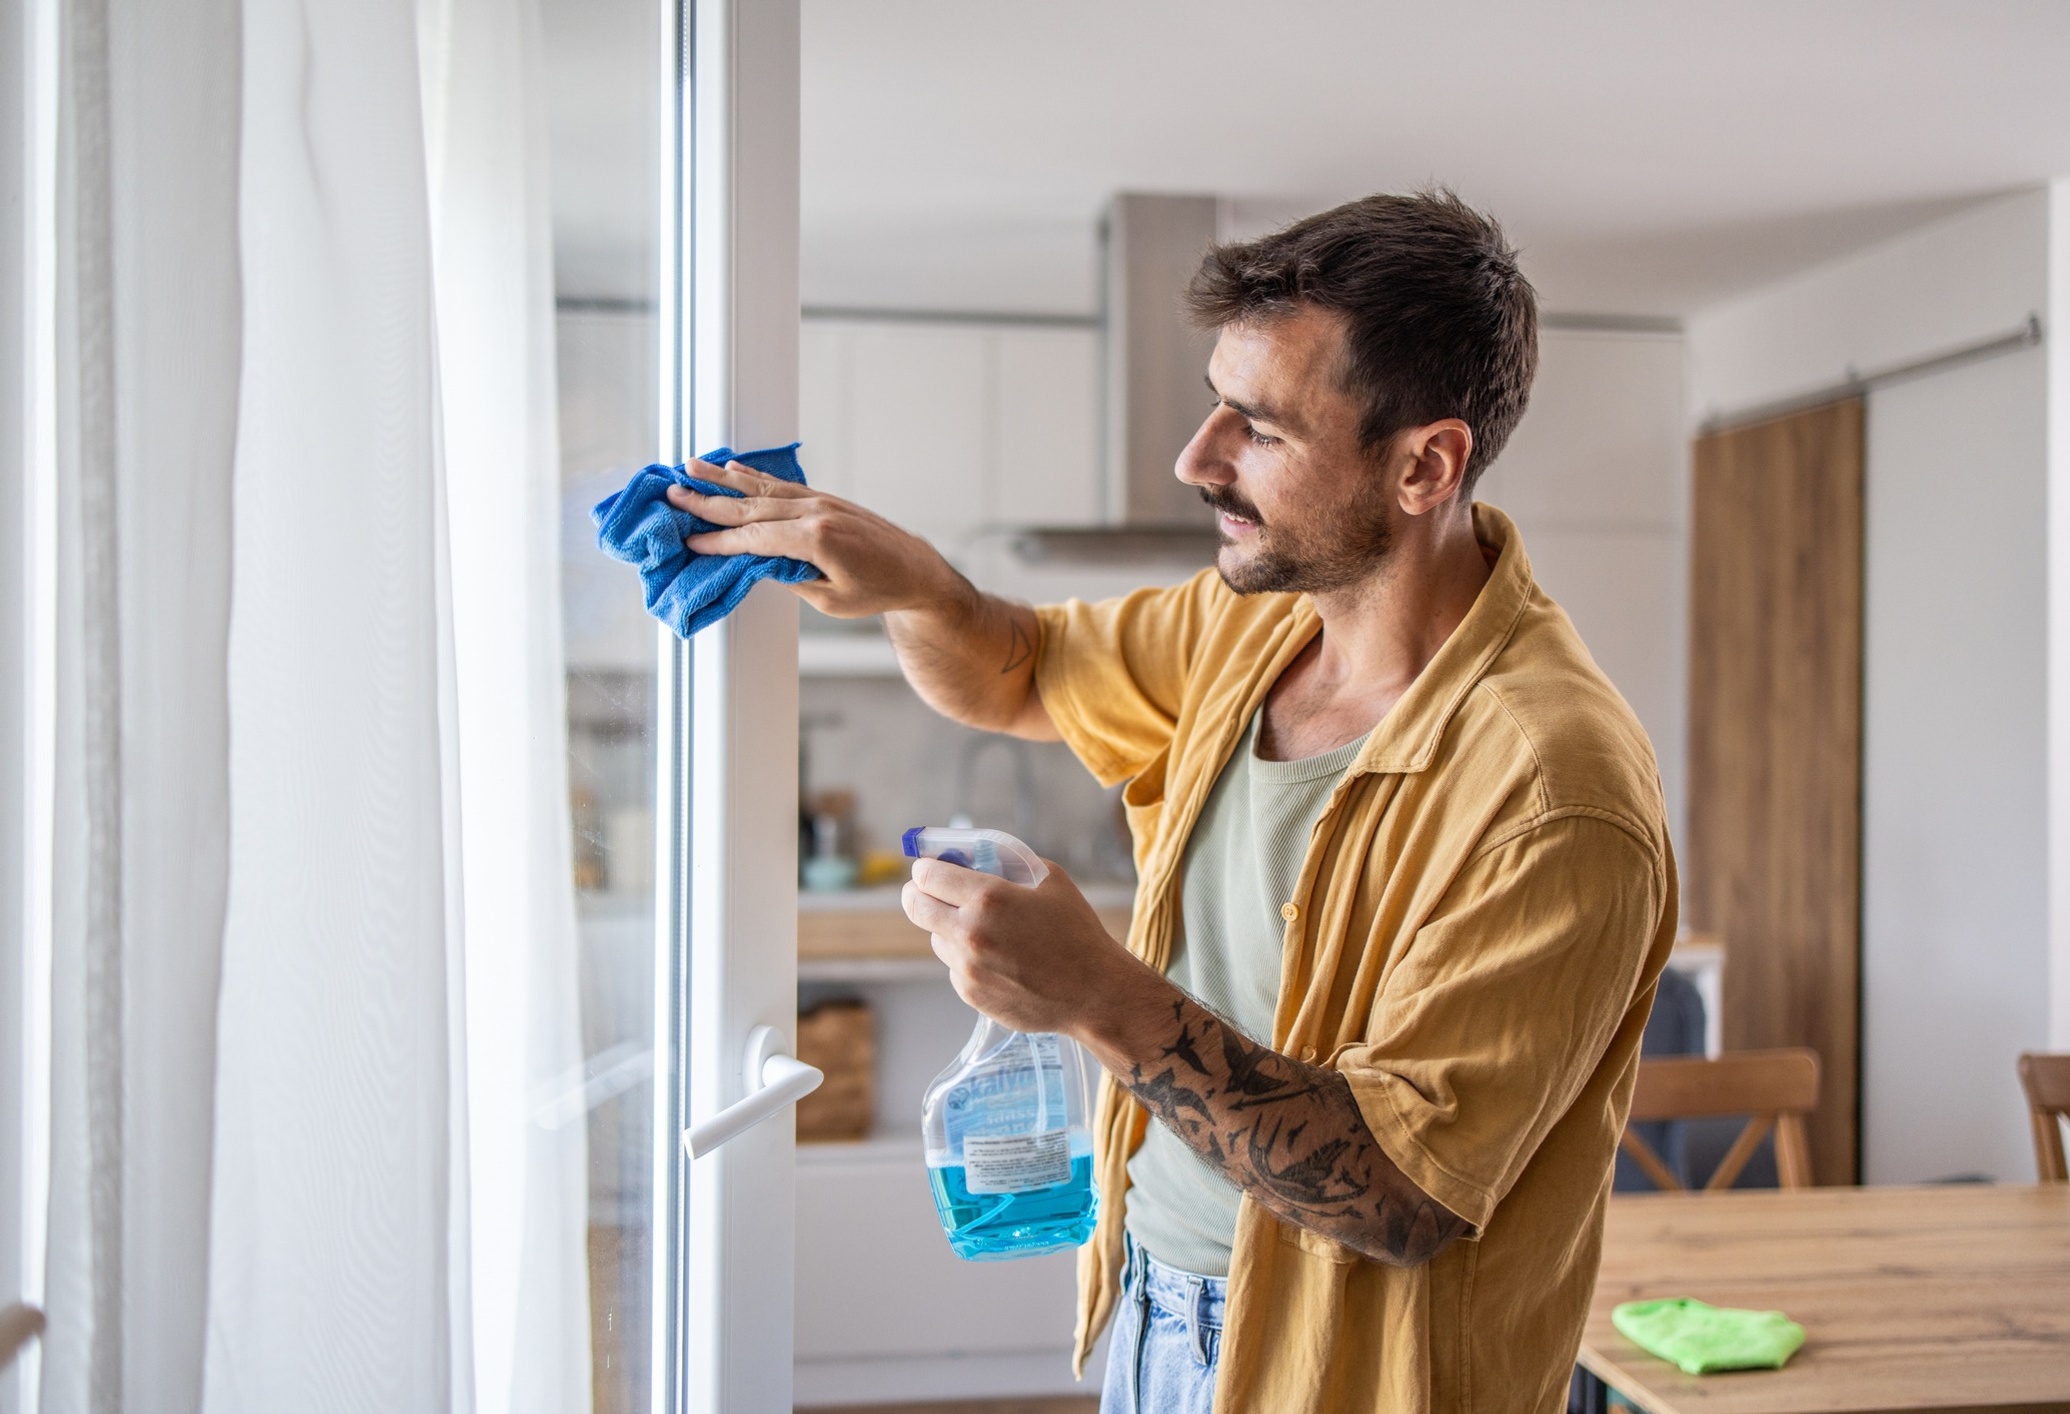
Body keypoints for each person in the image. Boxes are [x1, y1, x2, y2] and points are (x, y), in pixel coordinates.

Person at [669, 190, 1676, 1414]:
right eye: (1216, 404)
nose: (1197, 458)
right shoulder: (1248, 628)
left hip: (1348, 1377)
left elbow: (1404, 1197)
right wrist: (914, 585)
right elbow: (1013, 663)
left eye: (1258, 427)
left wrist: (1096, 992)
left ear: (1425, 464)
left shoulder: (1551, 788)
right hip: (1158, 1307)